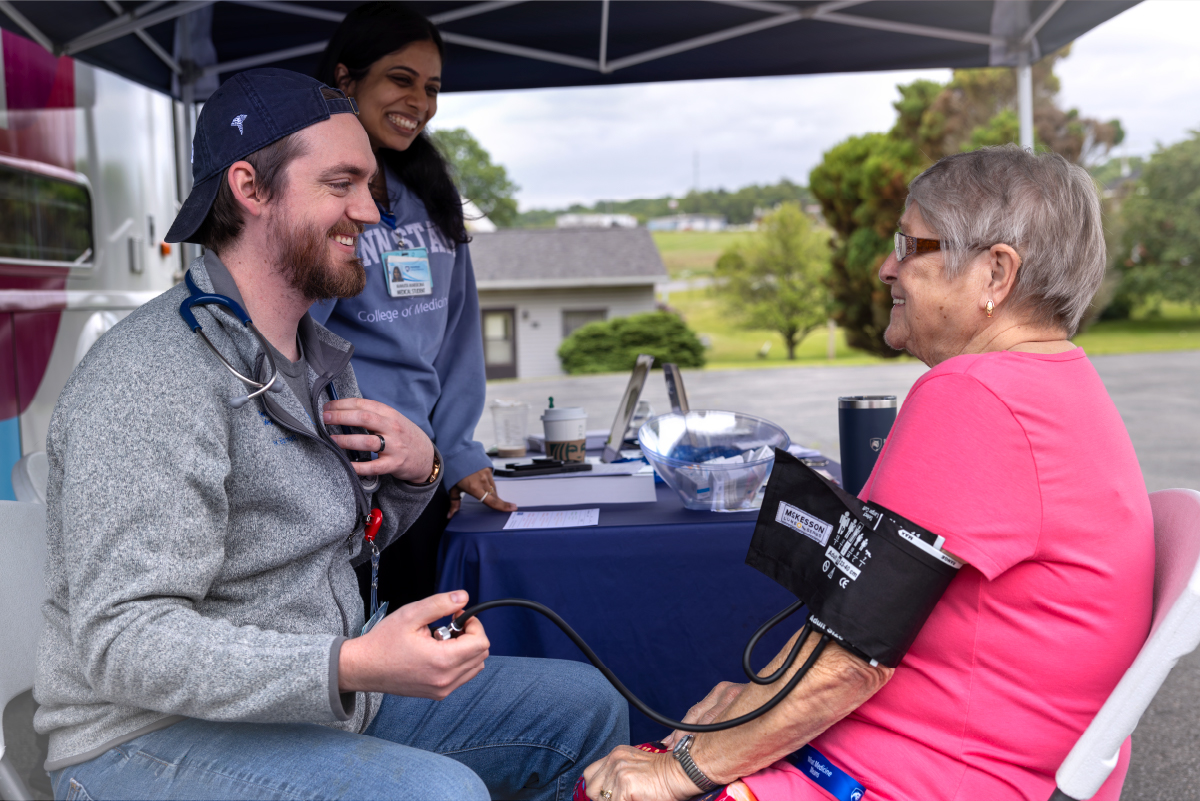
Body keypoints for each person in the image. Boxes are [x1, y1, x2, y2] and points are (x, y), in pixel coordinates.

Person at [33, 68, 626, 801]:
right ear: (251, 188)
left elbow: (330, 543)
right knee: (437, 794)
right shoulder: (153, 372)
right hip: (144, 736)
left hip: (308, 700)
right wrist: (347, 663)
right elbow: (125, 641)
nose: (371, 212)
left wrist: (418, 473)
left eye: (371, 186)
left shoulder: (317, 358)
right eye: (341, 183)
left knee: (585, 708)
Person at [580, 145, 1154, 801]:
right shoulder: (1056, 382)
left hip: (919, 777)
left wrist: (679, 769)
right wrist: (747, 703)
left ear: (996, 273)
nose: (888, 268)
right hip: (962, 762)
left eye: (909, 245)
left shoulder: (976, 395)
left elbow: (854, 657)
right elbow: (856, 622)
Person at [310, 3, 513, 613]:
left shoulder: (431, 195)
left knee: (420, 638)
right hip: (337, 473)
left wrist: (458, 453)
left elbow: (456, 338)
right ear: (346, 80)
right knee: (351, 651)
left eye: (432, 88)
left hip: (418, 474)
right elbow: (289, 337)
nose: (420, 102)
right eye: (401, 80)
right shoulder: (314, 193)